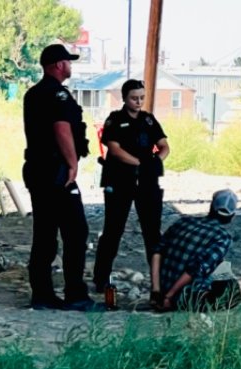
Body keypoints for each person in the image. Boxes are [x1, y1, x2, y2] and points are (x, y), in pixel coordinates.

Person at [22, 44, 102, 311]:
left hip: (36, 169)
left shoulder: (33, 94)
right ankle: (76, 295)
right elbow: (62, 129)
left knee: (44, 233)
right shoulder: (58, 95)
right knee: (76, 231)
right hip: (56, 172)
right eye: (68, 61)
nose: (71, 66)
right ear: (58, 65)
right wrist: (71, 165)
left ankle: (42, 294)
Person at [93, 79, 170, 292]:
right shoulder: (115, 120)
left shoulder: (148, 120)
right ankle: (101, 279)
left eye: (142, 98)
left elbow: (163, 145)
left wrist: (156, 161)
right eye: (134, 98)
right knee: (113, 230)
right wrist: (140, 163)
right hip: (120, 180)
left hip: (147, 182)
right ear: (125, 98)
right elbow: (114, 149)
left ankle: (159, 281)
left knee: (152, 232)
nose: (138, 102)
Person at [150, 189, 241, 312]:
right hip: (184, 297)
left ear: (211, 207)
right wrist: (169, 296)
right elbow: (195, 269)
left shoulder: (184, 221)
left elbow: (157, 252)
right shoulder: (222, 237)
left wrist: (156, 291)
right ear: (232, 216)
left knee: (222, 265)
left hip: (160, 292)